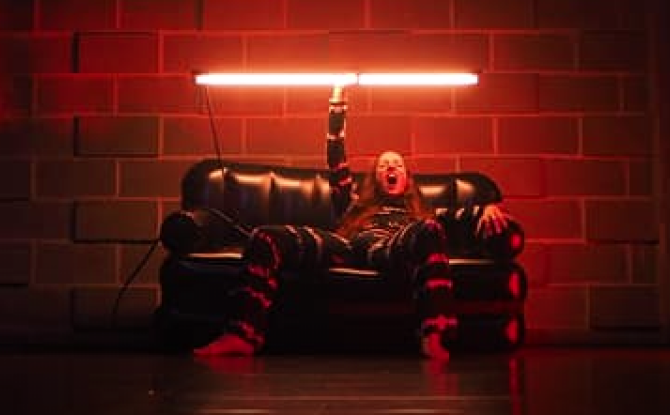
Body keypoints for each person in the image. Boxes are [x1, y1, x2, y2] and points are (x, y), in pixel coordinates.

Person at [194, 86, 511, 359]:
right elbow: (336, 160)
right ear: (375, 178)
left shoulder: (420, 215)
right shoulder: (355, 202)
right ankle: (243, 335)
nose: (391, 167)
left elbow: (456, 216)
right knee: (265, 237)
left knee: (429, 228)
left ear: (407, 178)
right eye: (383, 165)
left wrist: (485, 209)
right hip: (347, 246)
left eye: (397, 165)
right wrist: (337, 104)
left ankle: (434, 334)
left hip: (389, 248)